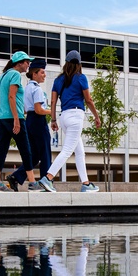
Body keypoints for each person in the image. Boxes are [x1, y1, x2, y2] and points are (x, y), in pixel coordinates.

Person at [39, 50, 102, 193]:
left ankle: (86, 184)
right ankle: (48, 178)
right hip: (75, 115)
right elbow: (89, 100)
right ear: (79, 64)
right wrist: (97, 117)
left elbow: (53, 101)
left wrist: (53, 119)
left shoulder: (58, 80)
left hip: (64, 117)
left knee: (79, 152)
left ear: (66, 63)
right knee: (67, 150)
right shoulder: (81, 78)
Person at [0, 51, 45, 193]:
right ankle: (32, 183)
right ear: (19, 63)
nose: (29, 65)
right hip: (13, 118)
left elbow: (7, 98)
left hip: (0, 118)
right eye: (27, 62)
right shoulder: (15, 74)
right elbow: (11, 97)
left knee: (1, 149)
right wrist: (16, 118)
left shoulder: (3, 76)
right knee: (26, 150)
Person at [5, 58, 52, 191]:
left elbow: (25, 109)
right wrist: (52, 112)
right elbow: (38, 110)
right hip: (38, 120)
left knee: (34, 155)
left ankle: (16, 177)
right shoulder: (37, 90)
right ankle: (45, 181)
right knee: (45, 153)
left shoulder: (26, 88)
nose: (44, 75)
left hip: (29, 121)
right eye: (42, 72)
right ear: (34, 73)